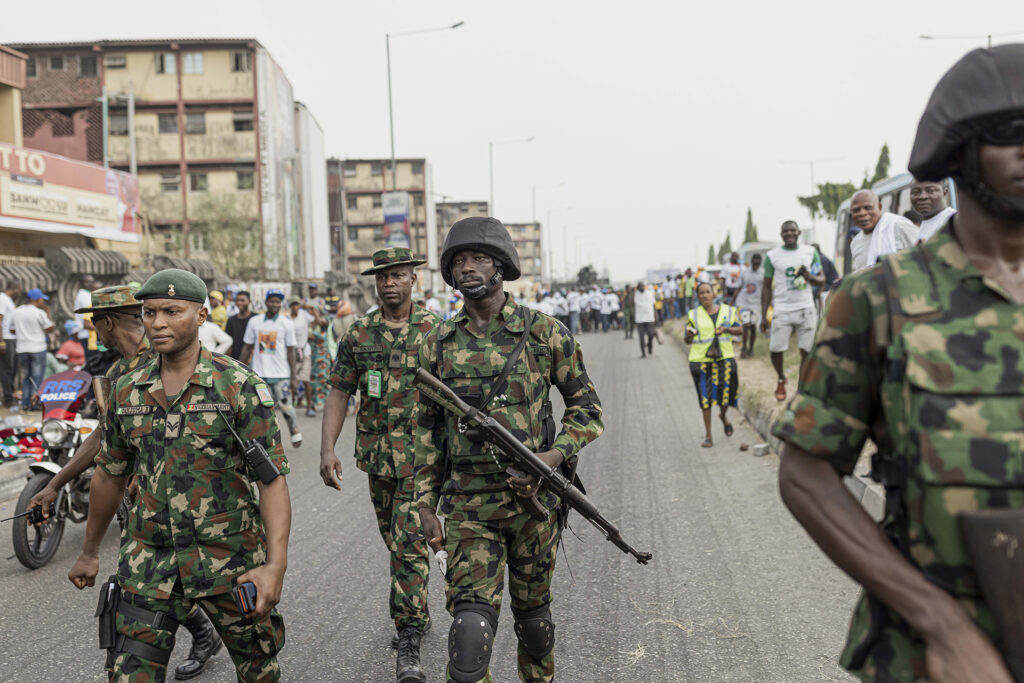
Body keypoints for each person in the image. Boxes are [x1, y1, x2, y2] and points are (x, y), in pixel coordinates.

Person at [774, 45, 1024, 683]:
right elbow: (806, 474)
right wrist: (940, 623)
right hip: (935, 657)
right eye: (1013, 132)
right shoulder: (879, 300)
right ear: (959, 153)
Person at [66, 270, 290, 682]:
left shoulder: (237, 385)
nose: (158, 323)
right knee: (128, 673)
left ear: (201, 316)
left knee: (259, 669)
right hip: (148, 561)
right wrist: (90, 550)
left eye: (172, 312)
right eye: (150, 312)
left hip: (229, 558)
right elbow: (110, 474)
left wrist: (275, 565)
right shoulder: (127, 388)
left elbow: (271, 481)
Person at [414, 217, 603, 683]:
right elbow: (427, 432)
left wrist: (552, 458)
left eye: (479, 258)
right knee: (469, 635)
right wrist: (425, 505)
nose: (467, 268)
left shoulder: (545, 333)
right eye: (459, 260)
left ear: (501, 266)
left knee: (534, 626)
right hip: (468, 508)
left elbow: (587, 409)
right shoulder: (436, 344)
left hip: (533, 507)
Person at [31, 284, 224, 680]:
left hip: (188, 498)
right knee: (148, 581)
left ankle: (216, 633)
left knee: (192, 577)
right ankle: (196, 636)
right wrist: (56, 483)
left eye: (94, 322)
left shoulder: (166, 353)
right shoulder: (120, 371)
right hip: (138, 499)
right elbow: (105, 435)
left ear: (106, 322)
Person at [320, 248, 438, 683]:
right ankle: (417, 607)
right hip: (378, 458)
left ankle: (408, 636)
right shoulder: (358, 334)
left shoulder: (436, 332)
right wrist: (327, 449)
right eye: (382, 277)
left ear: (413, 280)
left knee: (408, 543)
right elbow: (339, 391)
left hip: (422, 461)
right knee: (396, 540)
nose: (389, 283)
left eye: (398, 275)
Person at [760, 222, 824, 402]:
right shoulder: (772, 256)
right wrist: (763, 315)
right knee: (775, 350)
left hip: (805, 308)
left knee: (807, 351)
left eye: (792, 230)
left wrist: (809, 276)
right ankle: (781, 378)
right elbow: (766, 287)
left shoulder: (810, 252)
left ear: (799, 233)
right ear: (781, 234)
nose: (789, 233)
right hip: (782, 309)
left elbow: (822, 279)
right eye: (786, 231)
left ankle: (801, 389)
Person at [240, 290, 303, 448]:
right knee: (263, 409)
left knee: (286, 406)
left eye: (278, 302)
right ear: (266, 302)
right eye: (272, 301)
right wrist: (238, 368)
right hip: (260, 374)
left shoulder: (286, 324)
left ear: (281, 304)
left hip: (281, 374)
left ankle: (293, 429)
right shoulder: (254, 322)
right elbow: (247, 347)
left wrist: (294, 377)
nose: (275, 304)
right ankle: (268, 440)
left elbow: (291, 351)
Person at [685, 282, 742, 447]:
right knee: (705, 399)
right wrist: (689, 335)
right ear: (698, 296)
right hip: (701, 361)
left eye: (707, 292)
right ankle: (708, 436)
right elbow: (687, 339)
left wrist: (726, 329)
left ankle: (723, 416)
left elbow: (741, 330)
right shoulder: (693, 315)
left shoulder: (728, 311)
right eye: (701, 293)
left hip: (725, 358)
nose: (705, 295)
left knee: (726, 396)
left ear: (713, 294)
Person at [849, 189, 919, 272]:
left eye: (868, 208)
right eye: (856, 210)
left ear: (879, 207)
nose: (862, 213)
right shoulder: (855, 243)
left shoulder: (899, 226)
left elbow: (924, 255)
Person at [13, 288, 55, 410]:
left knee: (27, 377)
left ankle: (25, 404)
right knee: (37, 378)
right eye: (42, 299)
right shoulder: (39, 313)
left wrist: (23, 331)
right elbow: (50, 328)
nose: (43, 302)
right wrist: (48, 313)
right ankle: (34, 404)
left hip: (22, 349)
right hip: (37, 348)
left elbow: (11, 329)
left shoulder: (17, 311)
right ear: (37, 299)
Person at [287, 299, 318, 417]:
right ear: (290, 306)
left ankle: (309, 406)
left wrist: (313, 309)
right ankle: (291, 406)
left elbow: (316, 321)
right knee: (292, 381)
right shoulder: (287, 319)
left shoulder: (304, 315)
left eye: (296, 304)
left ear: (299, 306)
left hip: (305, 352)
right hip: (292, 353)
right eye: (293, 304)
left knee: (306, 380)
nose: (295, 307)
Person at [729, 253, 763, 359]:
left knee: (753, 328)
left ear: (760, 263)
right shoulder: (745, 273)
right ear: (752, 261)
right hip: (744, 303)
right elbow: (739, 287)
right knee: (745, 325)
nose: (756, 264)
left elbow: (766, 290)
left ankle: (750, 349)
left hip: (755, 305)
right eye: (754, 262)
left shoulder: (763, 274)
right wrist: (731, 302)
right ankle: (744, 348)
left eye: (758, 263)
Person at [911, 178, 958, 243]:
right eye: (916, 192)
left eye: (931, 191)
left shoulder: (953, 221)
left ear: (944, 193)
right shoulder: (926, 223)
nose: (922, 197)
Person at [0, 279, 20, 406]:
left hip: (11, 338)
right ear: (15, 288)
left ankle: (11, 395)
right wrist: (1, 342)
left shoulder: (8, 300)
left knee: (12, 369)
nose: (20, 292)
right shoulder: (2, 298)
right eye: (19, 289)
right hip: (5, 339)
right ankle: (8, 399)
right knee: (6, 369)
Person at [73, 275, 99, 363]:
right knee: (93, 363)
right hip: (87, 335)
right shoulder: (84, 296)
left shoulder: (86, 294)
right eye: (87, 282)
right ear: (81, 283)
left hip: (89, 335)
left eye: (91, 282)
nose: (89, 284)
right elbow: (87, 322)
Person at [810, 243, 840, 313]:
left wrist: (820, 291)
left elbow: (824, 277)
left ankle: (815, 311)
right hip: (826, 283)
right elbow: (813, 273)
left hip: (830, 284)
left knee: (813, 291)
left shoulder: (822, 259)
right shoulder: (817, 259)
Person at [225, 290, 254, 360]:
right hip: (235, 359)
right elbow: (228, 341)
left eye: (242, 300)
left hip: (252, 359)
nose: (239, 303)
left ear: (249, 301)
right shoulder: (231, 320)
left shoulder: (255, 319)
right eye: (237, 300)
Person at [634, 281, 656, 357]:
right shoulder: (636, 295)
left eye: (643, 286)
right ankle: (643, 353)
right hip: (640, 320)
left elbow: (654, 305)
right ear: (638, 288)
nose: (642, 288)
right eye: (640, 287)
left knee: (651, 334)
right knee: (641, 337)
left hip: (649, 318)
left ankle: (649, 344)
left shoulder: (650, 293)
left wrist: (656, 317)